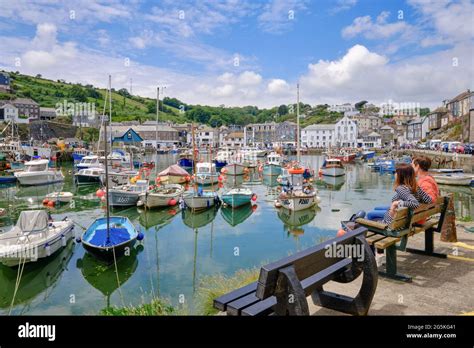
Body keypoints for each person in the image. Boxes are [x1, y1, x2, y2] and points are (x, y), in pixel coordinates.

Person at [412, 156, 439, 224]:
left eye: (412, 166)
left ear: (417, 166)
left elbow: (431, 200)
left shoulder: (425, 181)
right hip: (418, 214)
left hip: (416, 218)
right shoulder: (428, 178)